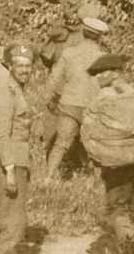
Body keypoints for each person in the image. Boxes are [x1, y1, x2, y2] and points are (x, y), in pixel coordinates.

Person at [86, 54, 134, 254]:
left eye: (99, 74)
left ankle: (128, 251)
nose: (96, 78)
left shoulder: (103, 98)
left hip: (119, 162)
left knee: (117, 208)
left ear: (110, 74)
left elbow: (95, 132)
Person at [0, 43, 36, 254]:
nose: (24, 70)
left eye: (28, 66)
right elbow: (1, 136)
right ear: (10, 66)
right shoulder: (7, 93)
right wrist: (9, 170)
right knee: (13, 220)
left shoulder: (16, 89)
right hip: (8, 163)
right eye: (19, 65)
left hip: (15, 161)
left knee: (7, 218)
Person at [43, 17, 108, 180]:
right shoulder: (103, 57)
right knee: (93, 145)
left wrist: (47, 99)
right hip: (91, 107)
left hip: (69, 105)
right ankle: (92, 180)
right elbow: (109, 85)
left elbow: (54, 79)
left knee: (61, 144)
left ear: (83, 33)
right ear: (100, 37)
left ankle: (48, 178)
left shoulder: (69, 53)